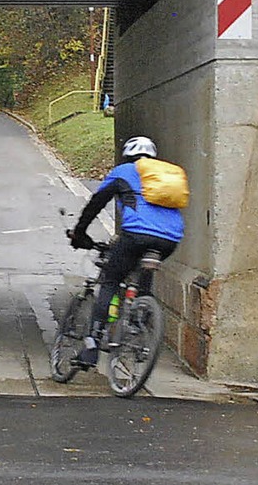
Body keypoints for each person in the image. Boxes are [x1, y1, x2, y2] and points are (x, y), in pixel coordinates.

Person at [69, 135, 185, 368]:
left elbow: (96, 202)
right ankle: (139, 319)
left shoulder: (123, 171)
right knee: (143, 271)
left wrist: (80, 233)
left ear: (128, 154)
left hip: (136, 235)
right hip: (170, 239)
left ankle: (92, 344)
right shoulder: (166, 175)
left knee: (111, 279)